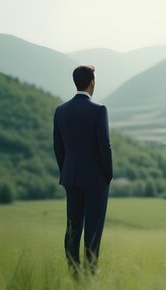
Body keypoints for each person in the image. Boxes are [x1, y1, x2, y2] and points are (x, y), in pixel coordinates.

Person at [53, 65, 113, 276]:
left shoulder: (61, 111)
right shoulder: (99, 110)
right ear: (92, 82)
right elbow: (104, 147)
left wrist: (67, 173)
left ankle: (74, 275)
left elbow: (58, 148)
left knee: (72, 229)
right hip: (96, 180)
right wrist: (108, 175)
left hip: (71, 178)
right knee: (93, 232)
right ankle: (90, 275)